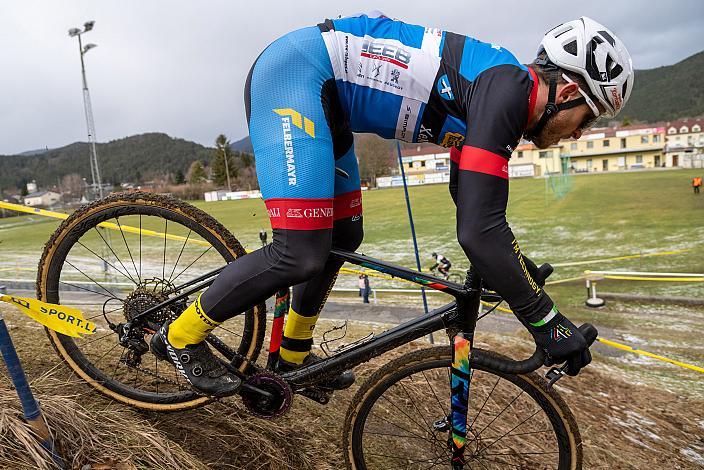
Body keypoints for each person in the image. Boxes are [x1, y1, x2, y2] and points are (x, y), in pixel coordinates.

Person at [151, 13, 633, 396]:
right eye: (586, 119)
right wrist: (546, 322)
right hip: (296, 74)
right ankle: (180, 336)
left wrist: (515, 271)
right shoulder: (506, 90)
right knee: (299, 251)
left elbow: (472, 205)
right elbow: (478, 231)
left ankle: (292, 355)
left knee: (344, 235)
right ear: (568, 92)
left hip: (328, 102)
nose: (578, 133)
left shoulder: (500, 96)